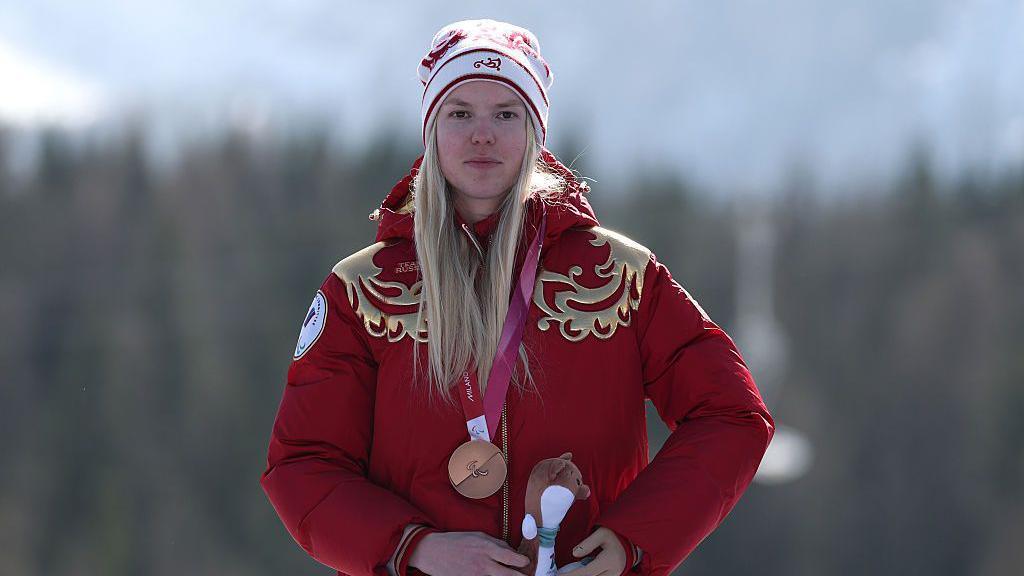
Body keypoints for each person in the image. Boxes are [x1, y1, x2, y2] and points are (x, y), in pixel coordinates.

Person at [260, 18, 774, 576]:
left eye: (506, 114)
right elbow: (303, 464)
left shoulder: (620, 275)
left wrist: (634, 538)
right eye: (460, 114)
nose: (482, 135)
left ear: (534, 131)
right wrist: (414, 547)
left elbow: (731, 414)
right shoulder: (362, 290)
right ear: (432, 131)